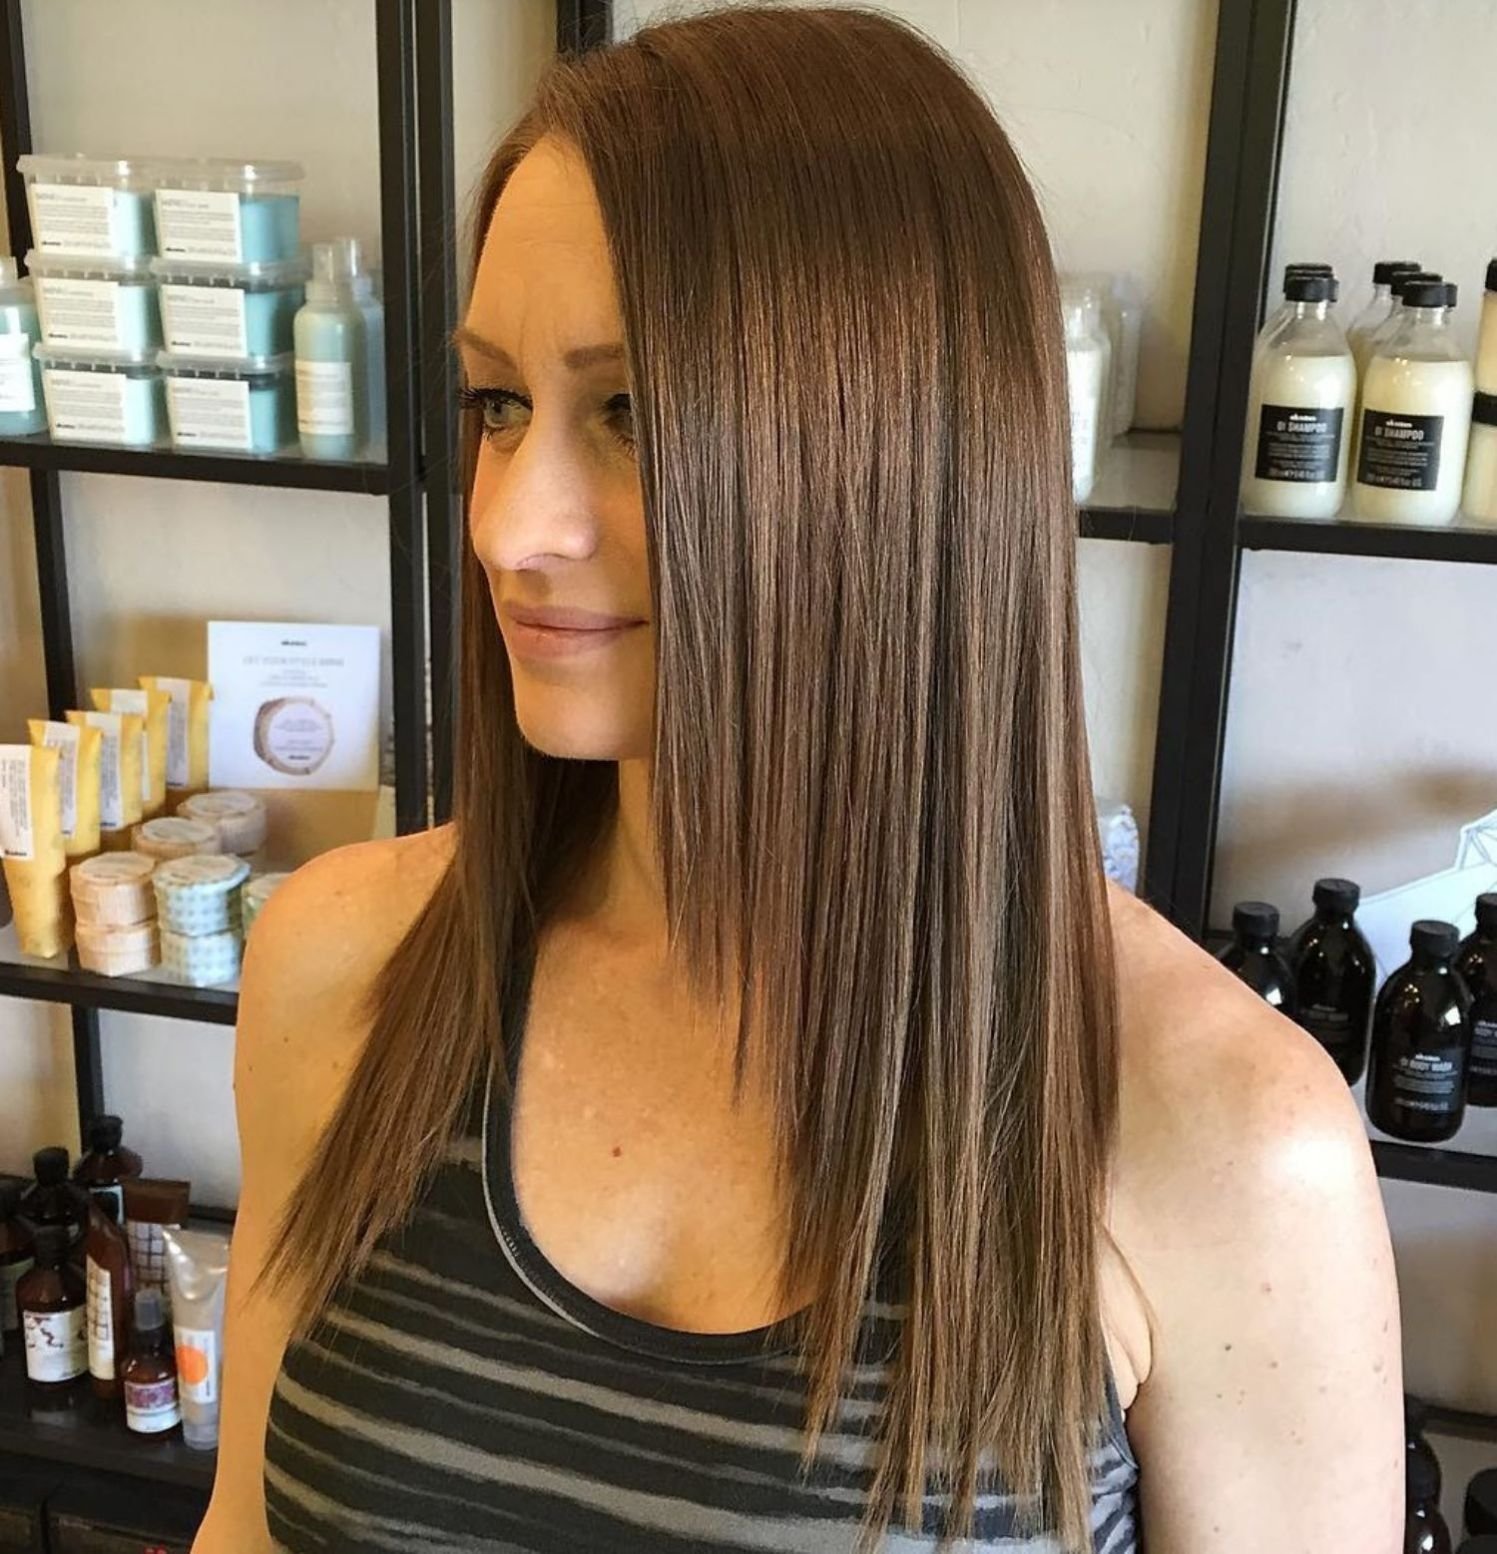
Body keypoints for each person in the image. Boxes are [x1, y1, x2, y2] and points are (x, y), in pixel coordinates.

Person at [192, 8, 1401, 1552]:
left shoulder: (1217, 1136)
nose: (505, 526)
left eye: (628, 412)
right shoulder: (345, 964)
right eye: (498, 403)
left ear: (890, 454)